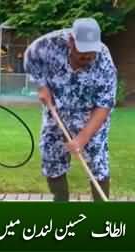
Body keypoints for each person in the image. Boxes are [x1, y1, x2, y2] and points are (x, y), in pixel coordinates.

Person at [24, 18, 117, 201]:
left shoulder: (104, 60)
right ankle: (61, 202)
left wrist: (82, 138)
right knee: (51, 158)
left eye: (92, 52)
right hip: (56, 112)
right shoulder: (49, 44)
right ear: (71, 41)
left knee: (98, 163)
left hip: (90, 116)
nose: (88, 56)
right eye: (83, 52)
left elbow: (104, 105)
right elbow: (30, 58)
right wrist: (41, 85)